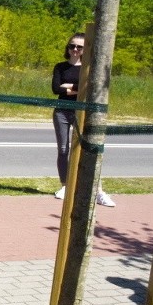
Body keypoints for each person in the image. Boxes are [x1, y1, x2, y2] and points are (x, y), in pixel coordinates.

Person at [51, 33, 115, 207]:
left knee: (89, 149)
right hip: (62, 112)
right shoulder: (60, 67)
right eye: (72, 46)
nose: (75, 50)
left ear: (85, 50)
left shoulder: (88, 67)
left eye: (79, 47)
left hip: (82, 112)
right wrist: (75, 89)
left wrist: (69, 87)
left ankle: (99, 191)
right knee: (63, 149)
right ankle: (65, 186)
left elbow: (88, 88)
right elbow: (56, 88)